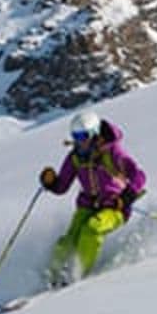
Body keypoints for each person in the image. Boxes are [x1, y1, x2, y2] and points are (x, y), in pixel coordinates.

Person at [39, 111, 146, 286]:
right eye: (76, 137)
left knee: (92, 229)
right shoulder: (75, 157)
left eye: (83, 136)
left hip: (115, 207)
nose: (79, 142)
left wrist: (126, 197)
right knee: (69, 239)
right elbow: (62, 186)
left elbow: (139, 176)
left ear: (95, 134)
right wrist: (51, 182)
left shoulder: (112, 153)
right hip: (88, 205)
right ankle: (52, 275)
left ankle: (78, 274)